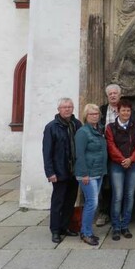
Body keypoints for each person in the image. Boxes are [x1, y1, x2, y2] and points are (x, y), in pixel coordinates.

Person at [42, 97, 82, 244]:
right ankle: (55, 230)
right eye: (64, 107)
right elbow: (47, 152)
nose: (67, 109)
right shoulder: (51, 127)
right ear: (58, 109)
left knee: (70, 201)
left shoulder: (77, 124)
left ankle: (65, 227)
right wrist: (50, 172)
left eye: (69, 107)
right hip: (59, 171)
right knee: (58, 201)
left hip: (74, 171)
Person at [105, 98, 135, 241]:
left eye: (128, 110)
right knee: (118, 196)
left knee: (129, 195)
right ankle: (116, 226)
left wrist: (131, 159)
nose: (126, 113)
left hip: (133, 164)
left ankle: (125, 225)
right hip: (117, 165)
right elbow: (111, 145)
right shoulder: (110, 127)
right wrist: (122, 159)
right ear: (118, 111)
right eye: (123, 110)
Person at [74, 103, 107, 246]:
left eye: (97, 114)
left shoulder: (98, 130)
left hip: (98, 171)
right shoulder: (83, 132)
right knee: (92, 203)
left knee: (92, 202)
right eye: (91, 114)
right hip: (88, 173)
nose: (95, 116)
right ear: (86, 116)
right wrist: (84, 174)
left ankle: (87, 230)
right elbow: (79, 154)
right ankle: (85, 233)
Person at [95, 83, 125, 228]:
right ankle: (104, 212)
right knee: (105, 184)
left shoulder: (125, 109)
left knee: (119, 185)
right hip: (105, 153)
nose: (113, 95)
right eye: (110, 94)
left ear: (120, 95)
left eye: (115, 93)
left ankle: (118, 212)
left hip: (122, 153)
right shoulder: (101, 110)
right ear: (107, 96)